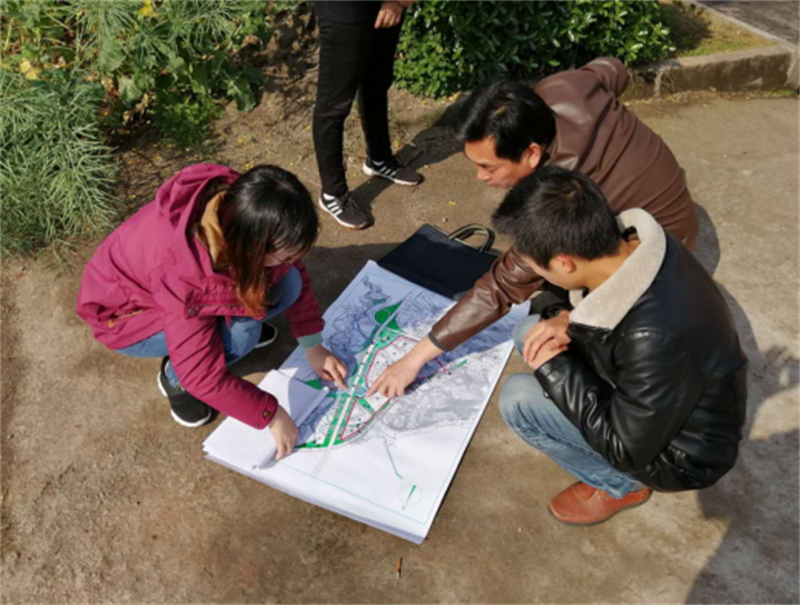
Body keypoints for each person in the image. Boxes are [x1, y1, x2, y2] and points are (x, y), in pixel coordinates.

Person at [367, 57, 700, 397]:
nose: (480, 177)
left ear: (532, 153)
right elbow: (614, 69)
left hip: (661, 252)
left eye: (489, 167)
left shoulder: (562, 194)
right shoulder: (563, 87)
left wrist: (415, 358)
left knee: (546, 310)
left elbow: (502, 285)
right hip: (670, 197)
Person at [492, 167, 747, 524]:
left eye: (539, 268)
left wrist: (556, 369)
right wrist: (569, 317)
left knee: (519, 400)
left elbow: (625, 447)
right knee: (530, 330)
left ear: (564, 262)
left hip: (682, 454)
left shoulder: (653, 337)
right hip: (658, 392)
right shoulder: (642, 247)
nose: (540, 277)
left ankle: (621, 485)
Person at [76, 164, 348, 459]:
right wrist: (271, 414)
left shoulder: (245, 204)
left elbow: (290, 269)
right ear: (253, 245)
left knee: (289, 282)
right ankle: (173, 378)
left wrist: (312, 345)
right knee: (243, 334)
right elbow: (201, 376)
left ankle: (222, 322)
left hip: (182, 293)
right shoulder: (183, 272)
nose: (292, 260)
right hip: (127, 319)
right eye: (285, 255)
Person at [312, 0, 423, 230]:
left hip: (387, 5)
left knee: (376, 83)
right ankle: (332, 193)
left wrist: (397, 2)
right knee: (333, 105)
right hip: (345, 7)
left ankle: (379, 159)